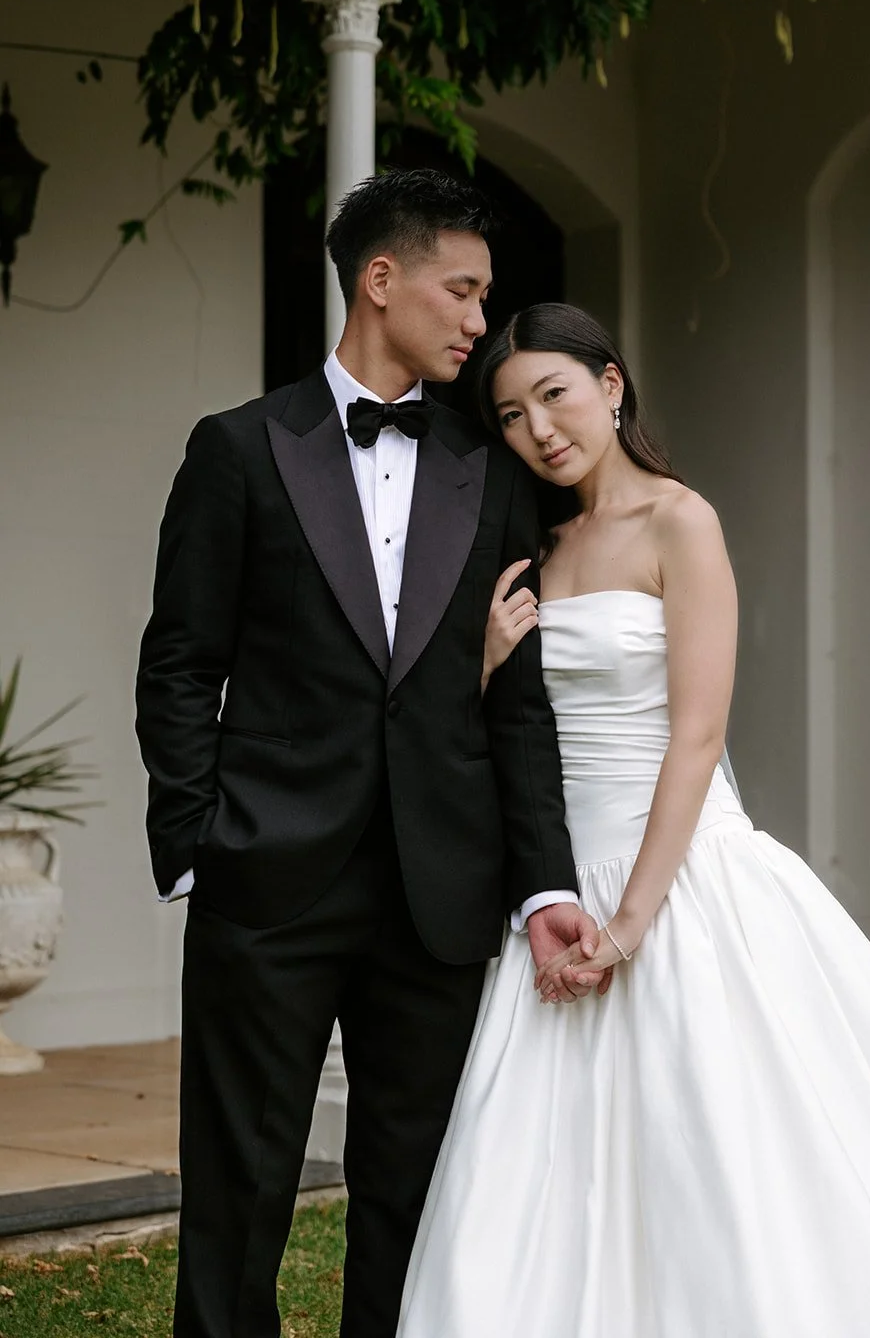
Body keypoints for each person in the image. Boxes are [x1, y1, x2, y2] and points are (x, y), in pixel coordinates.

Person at [398, 301, 870, 1338]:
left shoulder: (679, 520)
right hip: (558, 887)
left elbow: (697, 736)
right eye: (512, 413)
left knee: (722, 1134)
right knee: (546, 1156)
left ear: (610, 386)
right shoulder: (532, 543)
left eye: (554, 394)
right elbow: (509, 739)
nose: (538, 428)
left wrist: (632, 919)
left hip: (682, 872)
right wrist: (485, 671)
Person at [135, 174, 600, 1338]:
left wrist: (540, 879)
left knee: (415, 1189)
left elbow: (518, 702)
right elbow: (182, 661)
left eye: (485, 297)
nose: (476, 321)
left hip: (438, 887)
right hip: (267, 880)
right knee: (239, 1181)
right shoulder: (238, 449)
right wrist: (196, 844)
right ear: (379, 281)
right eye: (462, 290)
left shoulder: (490, 474)